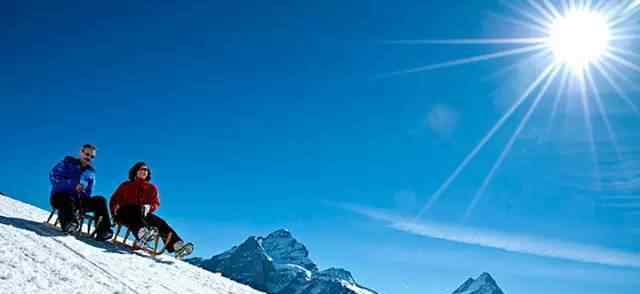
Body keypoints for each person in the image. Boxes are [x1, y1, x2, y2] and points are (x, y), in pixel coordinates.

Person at [109, 162, 193, 257]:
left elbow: (155, 203)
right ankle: (142, 233)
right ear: (135, 171)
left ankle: (176, 245)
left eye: (146, 170)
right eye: (142, 169)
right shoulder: (126, 185)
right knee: (133, 208)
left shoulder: (151, 188)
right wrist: (113, 214)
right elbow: (114, 200)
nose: (144, 171)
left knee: (160, 223)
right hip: (124, 213)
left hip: (142, 214)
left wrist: (149, 207)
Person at [49, 144, 113, 241]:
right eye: (87, 154)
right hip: (60, 197)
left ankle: (104, 231)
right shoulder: (66, 163)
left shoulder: (90, 173)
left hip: (79, 201)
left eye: (92, 157)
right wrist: (73, 184)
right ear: (81, 152)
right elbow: (54, 178)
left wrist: (83, 191)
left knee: (100, 200)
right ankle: (69, 223)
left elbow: (88, 193)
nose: (89, 158)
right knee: (66, 198)